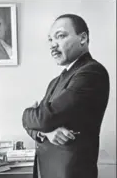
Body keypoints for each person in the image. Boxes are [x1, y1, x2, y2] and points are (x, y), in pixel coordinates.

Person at [22, 14, 110, 178]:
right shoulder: (55, 81)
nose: (53, 45)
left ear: (82, 38)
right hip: (48, 170)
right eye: (50, 39)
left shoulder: (91, 72)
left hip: (70, 172)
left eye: (60, 36)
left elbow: (42, 119)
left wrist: (27, 113)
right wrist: (45, 133)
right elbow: (38, 124)